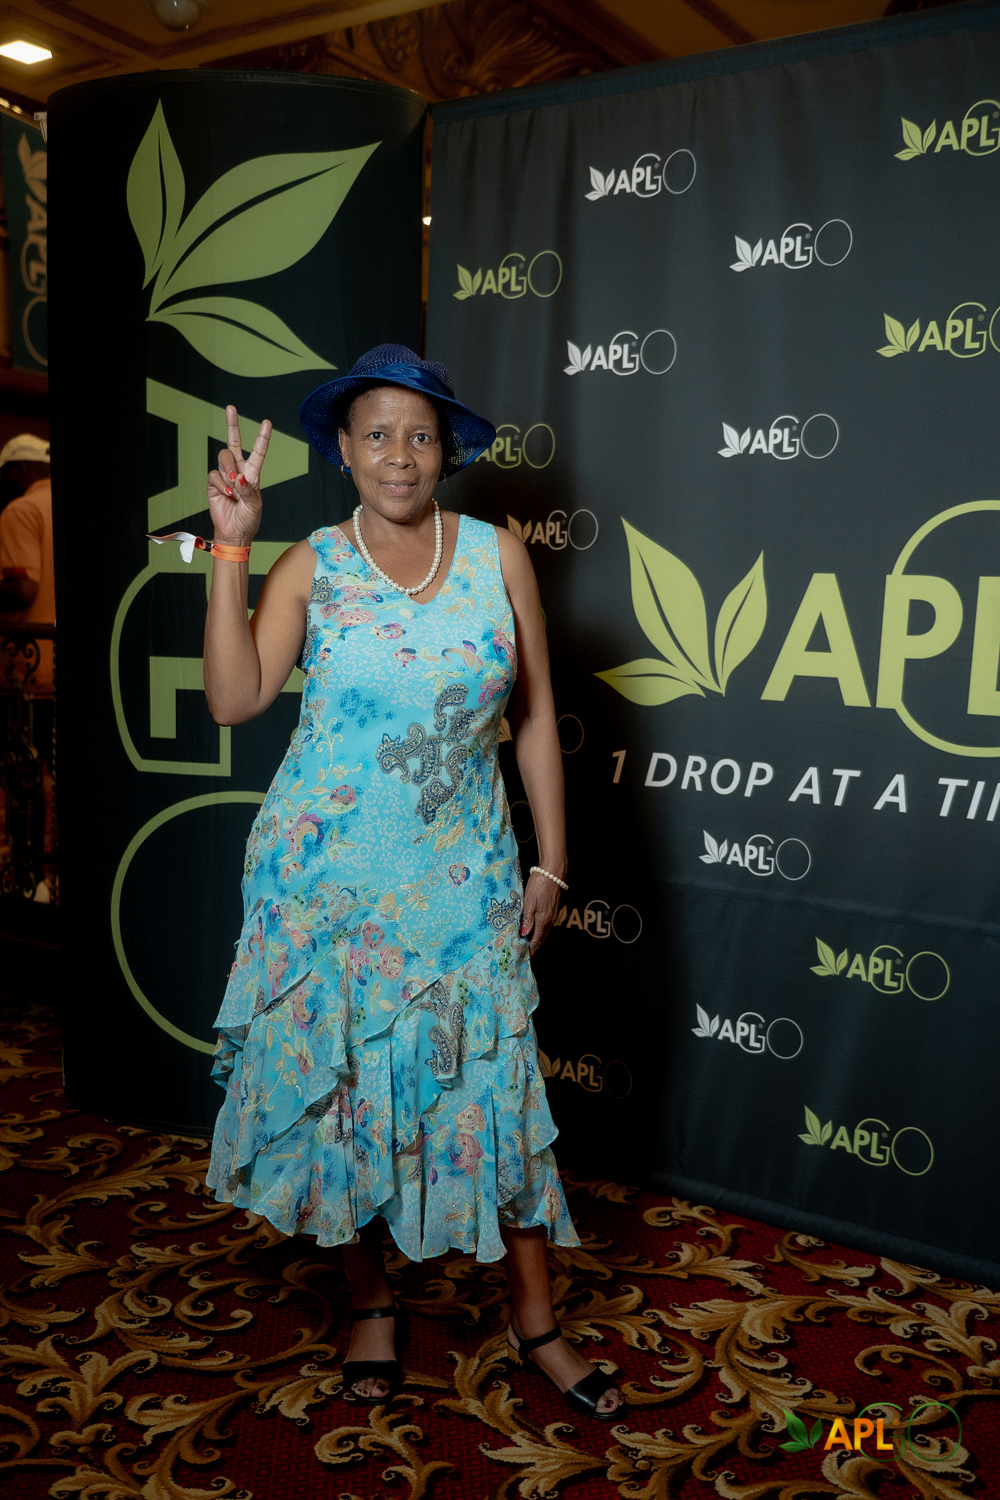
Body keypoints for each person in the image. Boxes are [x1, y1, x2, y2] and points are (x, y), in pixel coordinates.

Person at [201, 344, 622, 1419]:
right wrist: (233, 549)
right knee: (343, 1095)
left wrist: (551, 858)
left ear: (446, 451)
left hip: (462, 880)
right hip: (324, 889)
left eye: (420, 435)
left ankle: (535, 1319)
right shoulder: (310, 565)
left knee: (493, 1089)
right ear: (343, 451)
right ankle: (372, 1300)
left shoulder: (496, 554)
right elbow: (235, 700)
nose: (399, 454)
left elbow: (535, 715)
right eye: (377, 434)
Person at [0, 432, 54, 693]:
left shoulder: (22, 509)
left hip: (26, 673)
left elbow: (23, 590)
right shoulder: (76, 508)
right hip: (73, 670)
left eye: (3, 474)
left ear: (20, 468)